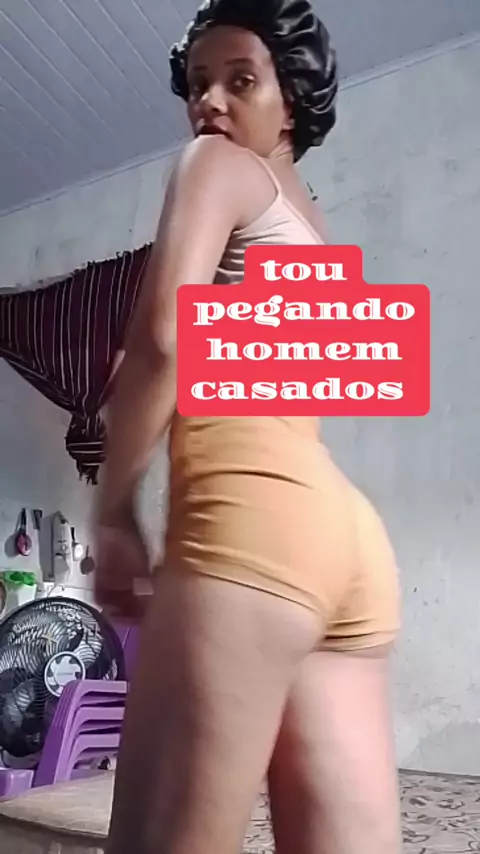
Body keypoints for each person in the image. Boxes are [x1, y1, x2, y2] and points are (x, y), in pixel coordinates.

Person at [93, 1, 402, 852]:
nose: (210, 103)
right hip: (346, 540)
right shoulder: (315, 229)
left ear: (289, 100)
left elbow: (166, 338)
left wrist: (114, 511)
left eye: (240, 81)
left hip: (253, 524)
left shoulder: (216, 165)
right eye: (197, 84)